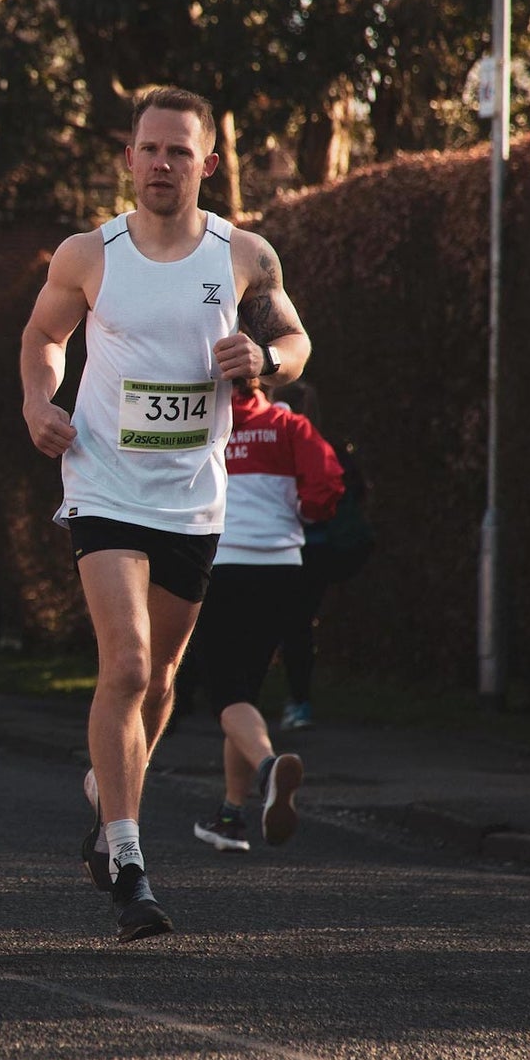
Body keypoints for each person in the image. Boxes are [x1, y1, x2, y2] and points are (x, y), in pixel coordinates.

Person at [20, 85, 312, 941]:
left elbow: (295, 341)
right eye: (148, 148)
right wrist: (38, 401)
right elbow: (42, 337)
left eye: (178, 151)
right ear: (127, 158)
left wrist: (263, 355)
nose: (160, 163)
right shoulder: (89, 254)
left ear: (207, 163)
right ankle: (127, 861)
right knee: (127, 664)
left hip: (191, 498)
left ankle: (104, 791)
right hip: (104, 486)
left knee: (158, 685)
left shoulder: (243, 255)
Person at [189, 375, 344, 853]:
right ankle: (231, 816)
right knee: (245, 696)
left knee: (226, 696)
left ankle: (268, 767)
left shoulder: (204, 419)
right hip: (282, 569)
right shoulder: (290, 425)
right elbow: (327, 485)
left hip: (221, 564)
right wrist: (305, 512)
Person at [270, 379, 375, 731]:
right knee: (298, 624)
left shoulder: (277, 444)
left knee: (281, 623)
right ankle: (299, 701)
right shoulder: (331, 448)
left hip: (287, 547)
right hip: (321, 549)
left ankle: (246, 698)